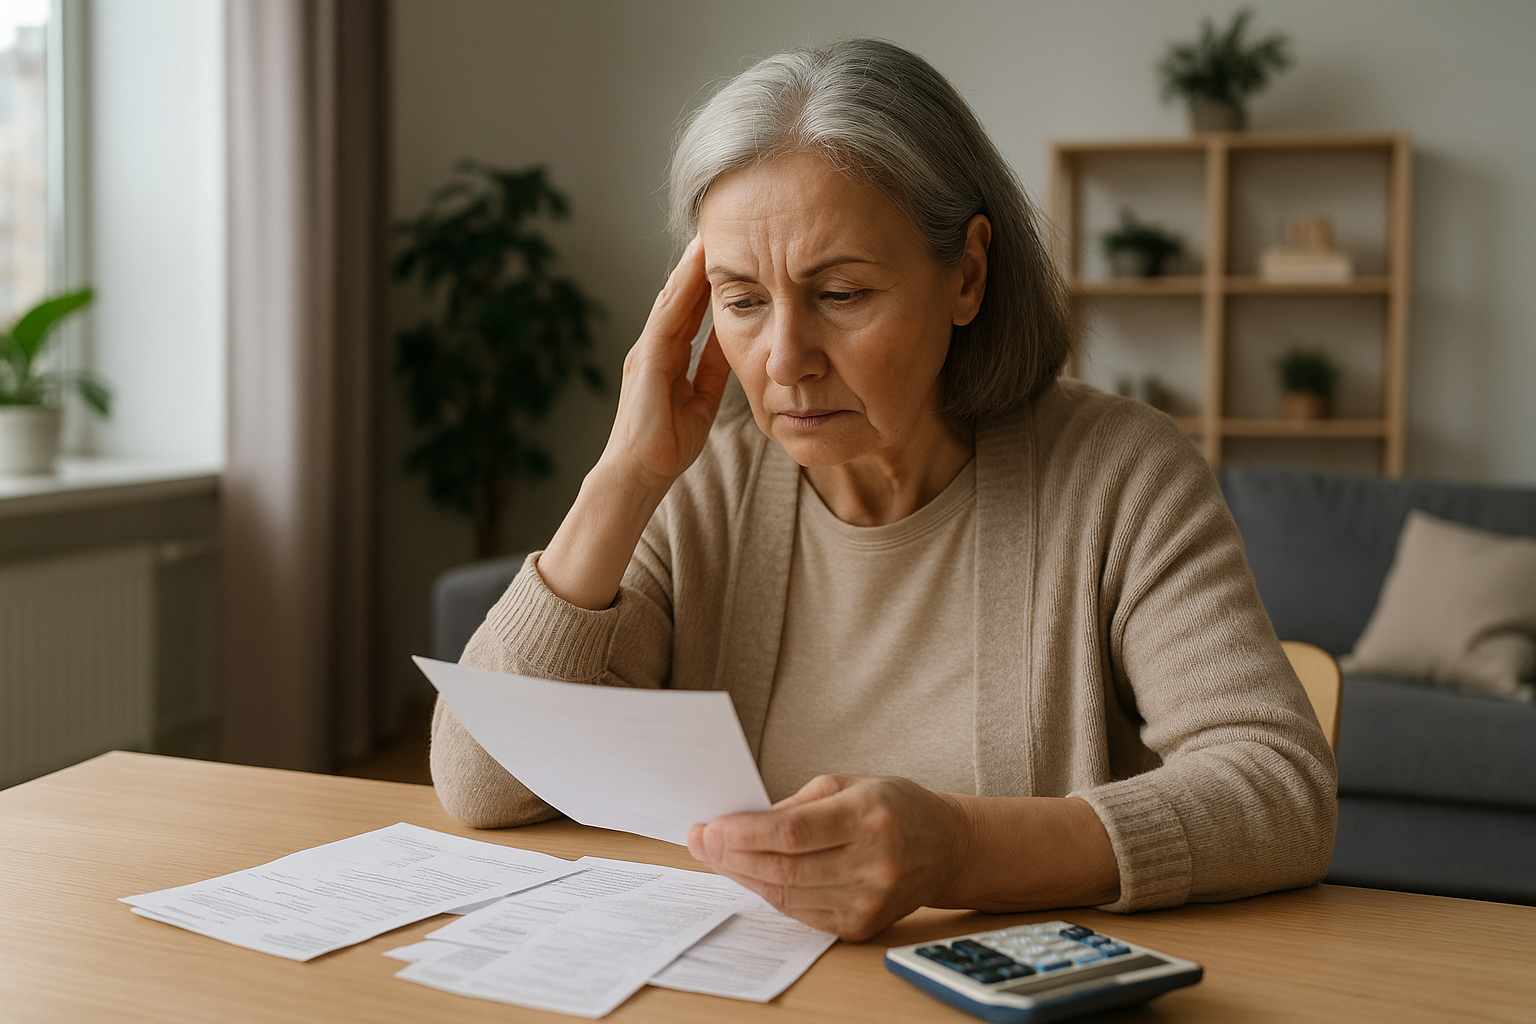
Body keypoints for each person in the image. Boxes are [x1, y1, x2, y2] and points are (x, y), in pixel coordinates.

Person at [430, 38, 1336, 941]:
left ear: (968, 275)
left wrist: (958, 848)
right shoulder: (699, 489)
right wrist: (624, 475)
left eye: (842, 293)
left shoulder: (1122, 475)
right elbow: (480, 783)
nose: (785, 360)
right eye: (741, 300)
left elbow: (1279, 788)